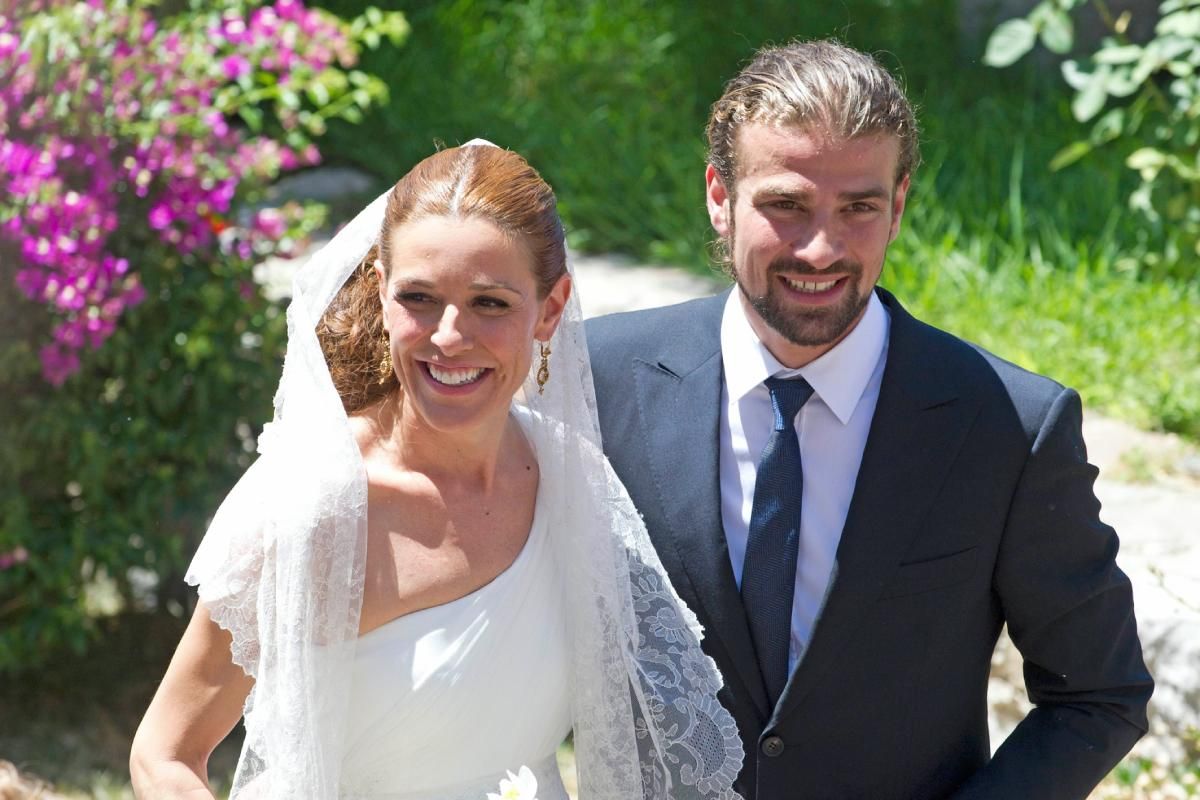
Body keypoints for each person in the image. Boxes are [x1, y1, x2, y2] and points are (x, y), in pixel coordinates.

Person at [586, 40, 1153, 799]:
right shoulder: (600, 380)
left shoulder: (1010, 428)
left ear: (901, 204)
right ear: (719, 196)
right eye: (785, 205)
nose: (821, 249)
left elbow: (1098, 694)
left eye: (859, 207)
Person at [130, 142, 744, 799]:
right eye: (420, 298)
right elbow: (165, 754)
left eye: (490, 304)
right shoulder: (313, 504)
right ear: (382, 293)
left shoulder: (574, 481)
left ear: (552, 309)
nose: (450, 336)